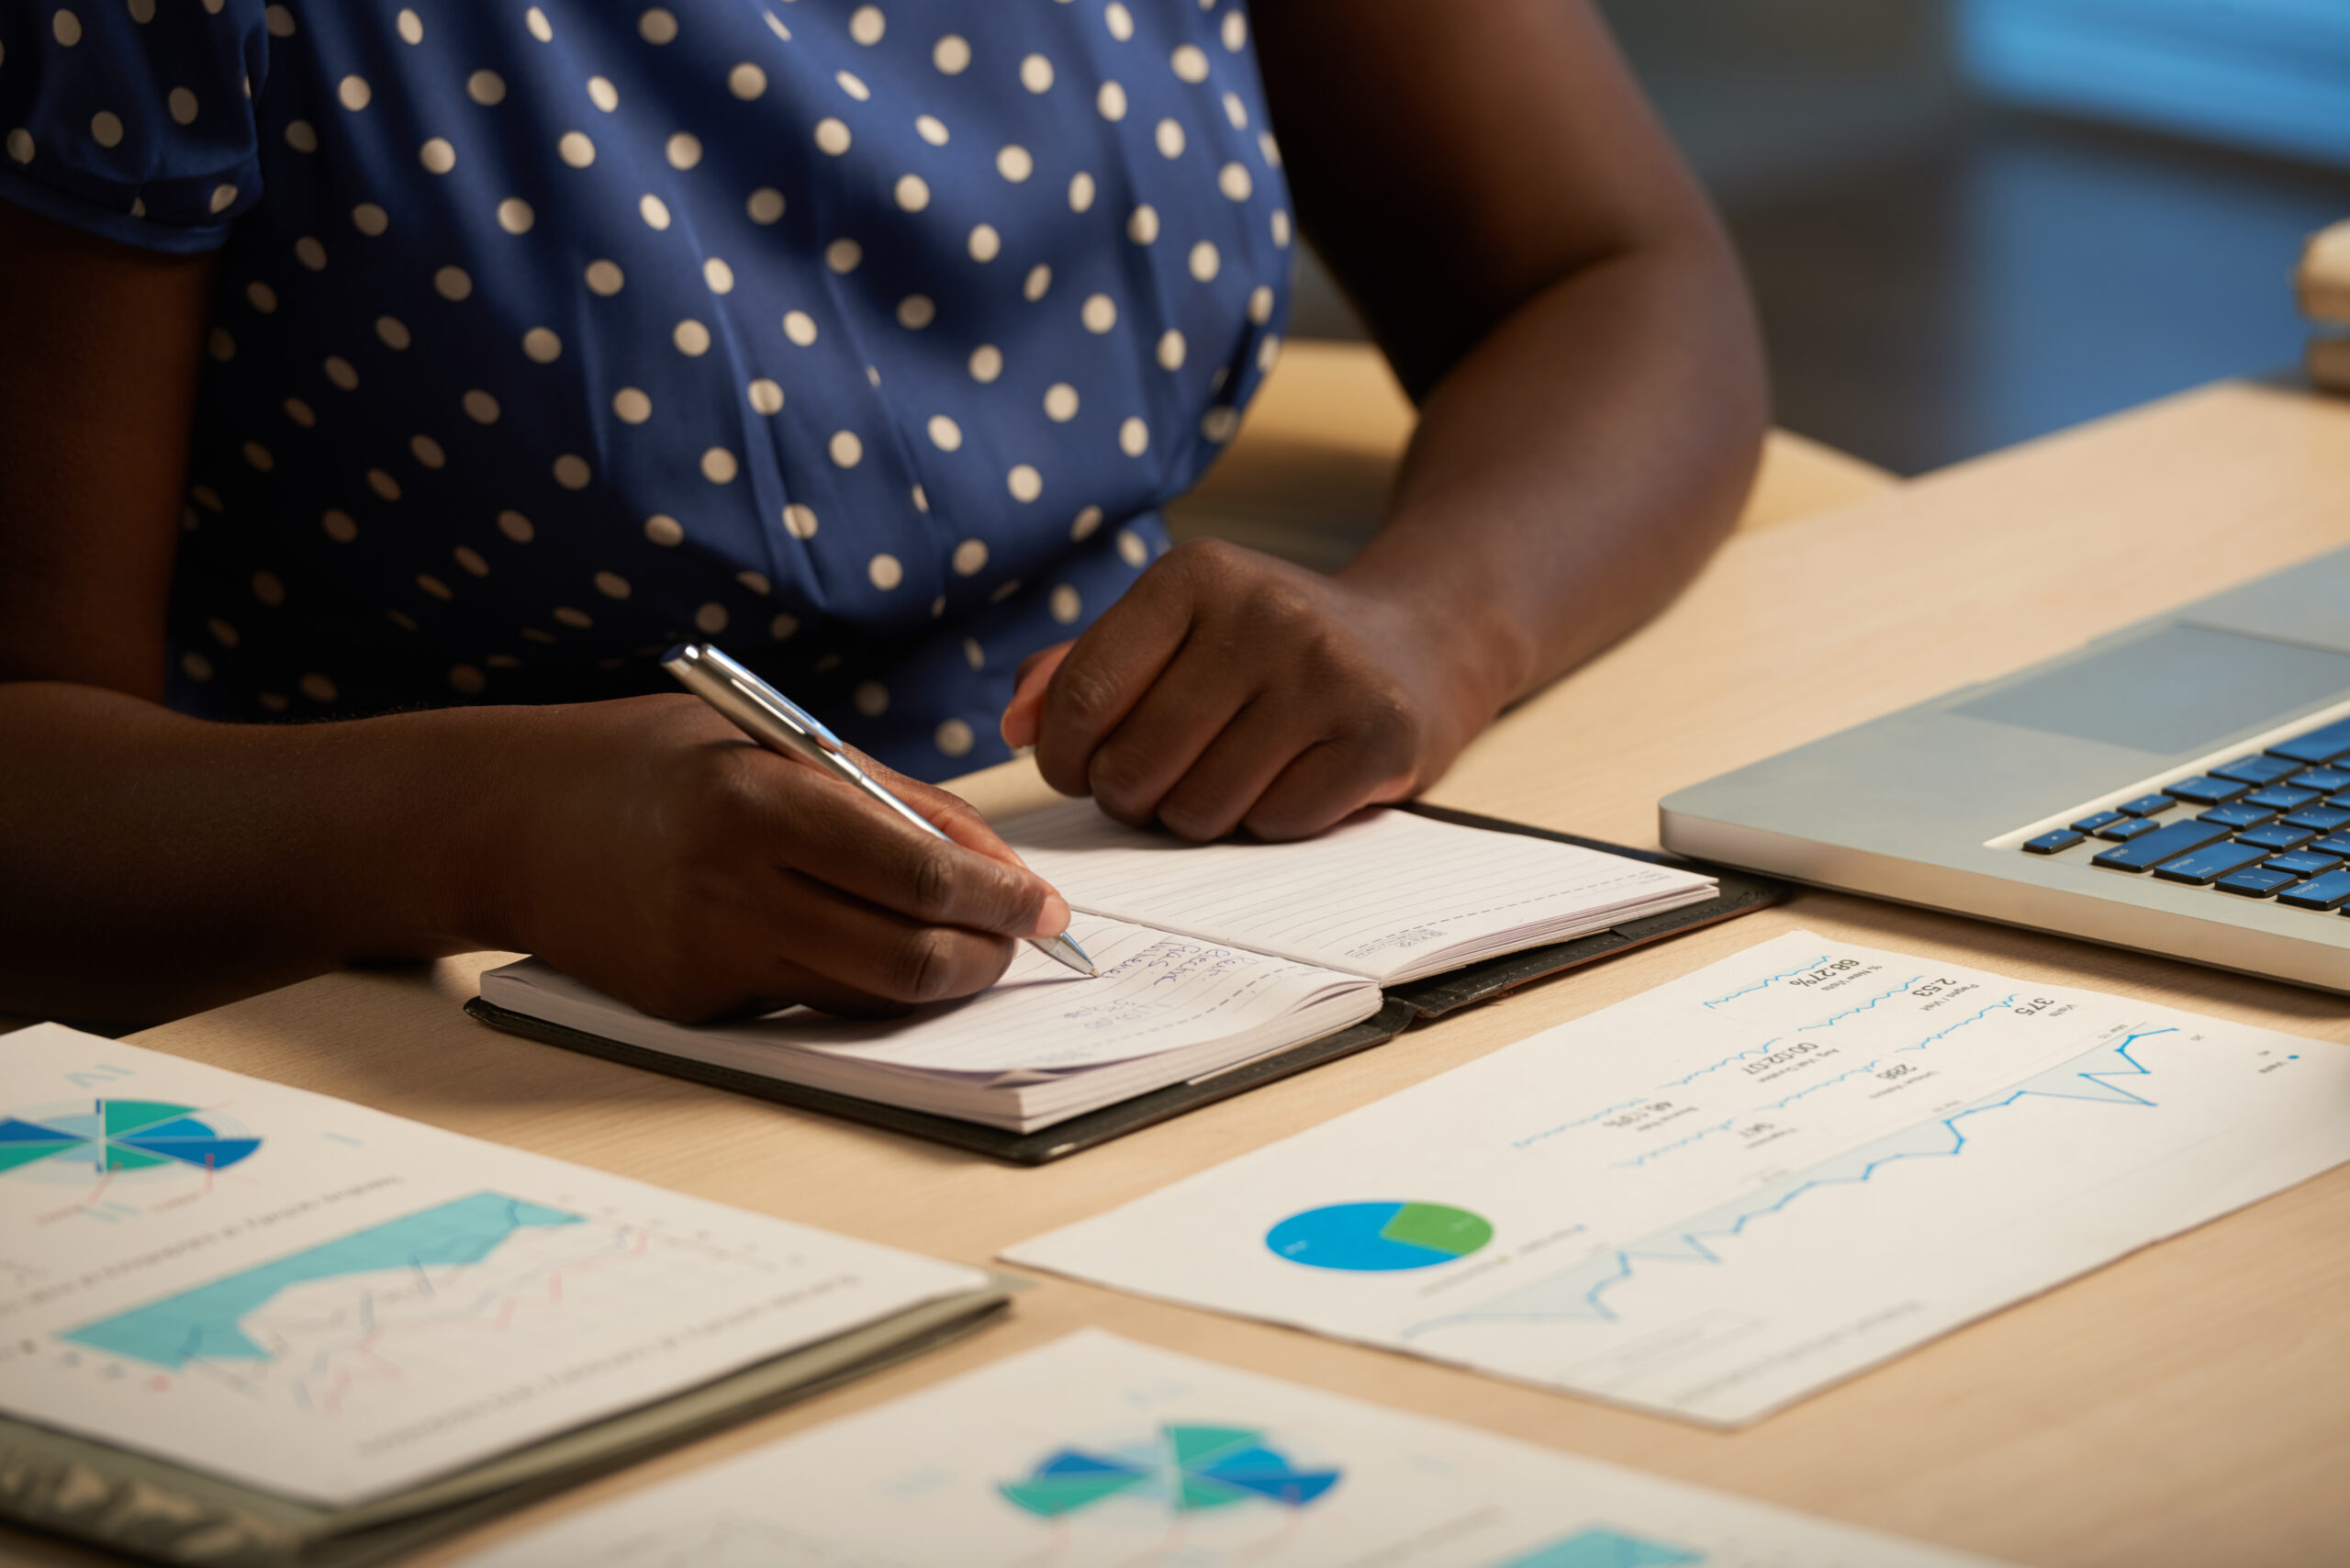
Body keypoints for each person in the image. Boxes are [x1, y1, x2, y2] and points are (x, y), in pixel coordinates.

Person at [0, 0, 1764, 1026]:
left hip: (1178, 914)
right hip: (413, 1014)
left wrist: (1435, 620)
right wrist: (474, 830)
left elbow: (1615, 272)